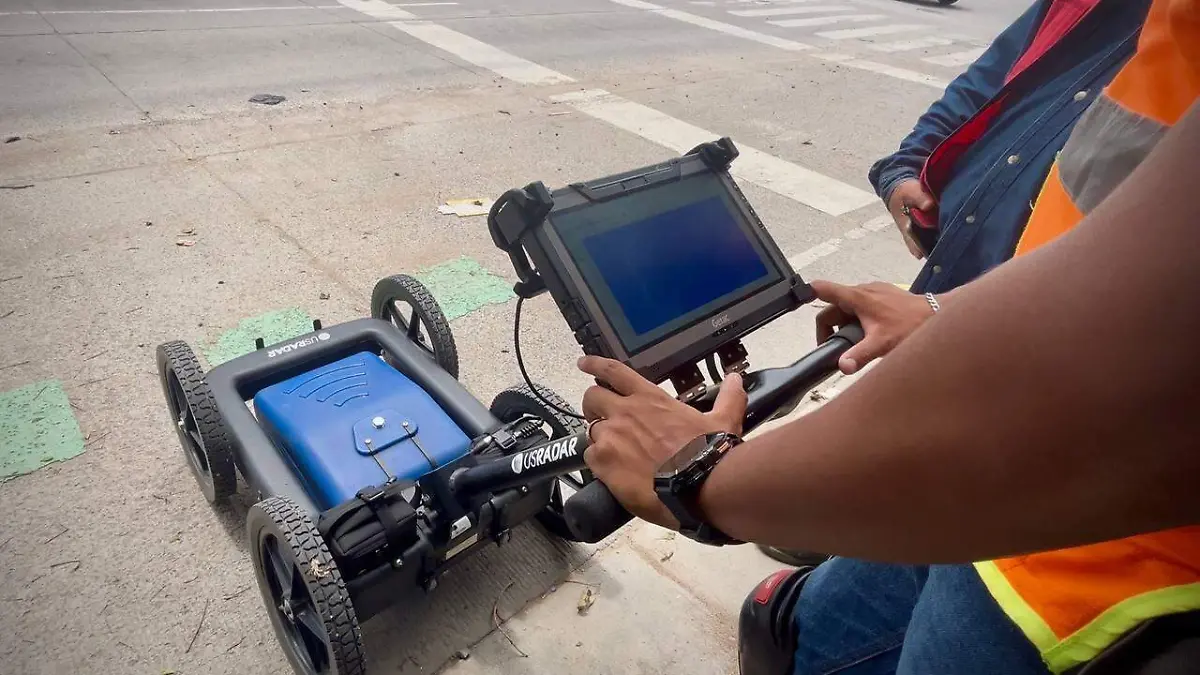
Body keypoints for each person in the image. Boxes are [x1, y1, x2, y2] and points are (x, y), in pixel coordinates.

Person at [576, 0, 1200, 672]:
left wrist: (700, 479)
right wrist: (944, 312)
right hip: (983, 473)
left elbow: (1148, 380)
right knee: (801, 634)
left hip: (1093, 575)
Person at [756, 0, 1153, 568]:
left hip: (1047, 378)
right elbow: (981, 88)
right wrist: (904, 171)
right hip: (961, 282)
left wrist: (709, 498)